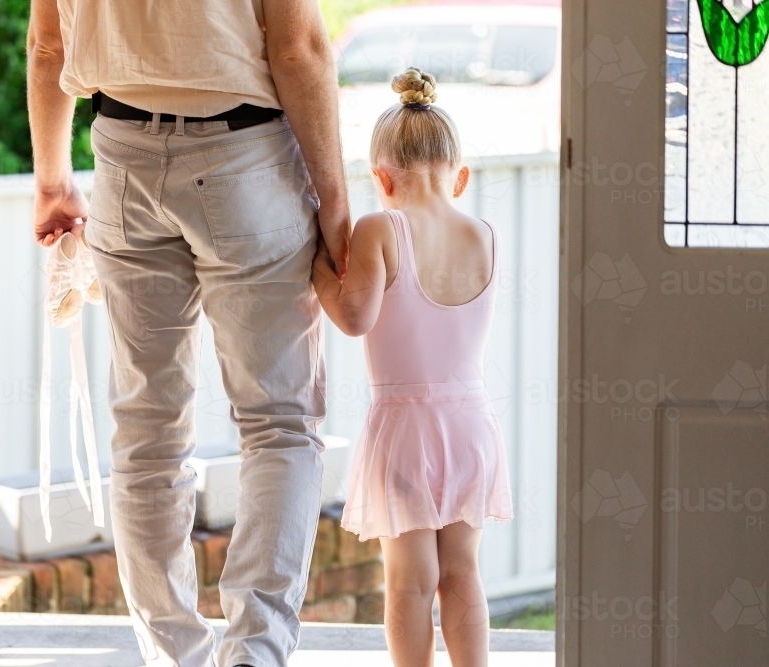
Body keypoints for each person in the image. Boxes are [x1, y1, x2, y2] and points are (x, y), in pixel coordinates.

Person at [26, 1, 352, 666]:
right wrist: (337, 205)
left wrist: (52, 180)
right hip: (246, 159)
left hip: (123, 156)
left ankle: (176, 656)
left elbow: (48, 43)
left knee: (146, 433)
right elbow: (299, 50)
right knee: (279, 425)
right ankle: (253, 654)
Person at [312, 67, 514, 667]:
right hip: (471, 426)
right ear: (461, 177)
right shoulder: (485, 235)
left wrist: (319, 268)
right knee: (462, 573)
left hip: (406, 430)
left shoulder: (381, 227)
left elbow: (353, 317)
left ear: (380, 178)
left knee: (409, 583)